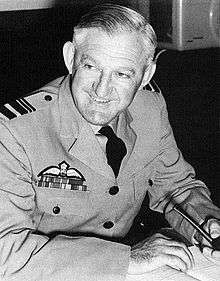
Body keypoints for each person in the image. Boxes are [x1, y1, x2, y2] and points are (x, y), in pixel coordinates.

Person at [0, 4, 219, 281]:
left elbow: (175, 189)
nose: (101, 91)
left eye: (122, 74)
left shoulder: (150, 108)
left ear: (146, 76)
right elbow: (5, 253)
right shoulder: (14, 131)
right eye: (91, 67)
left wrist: (206, 222)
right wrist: (127, 259)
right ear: (71, 58)